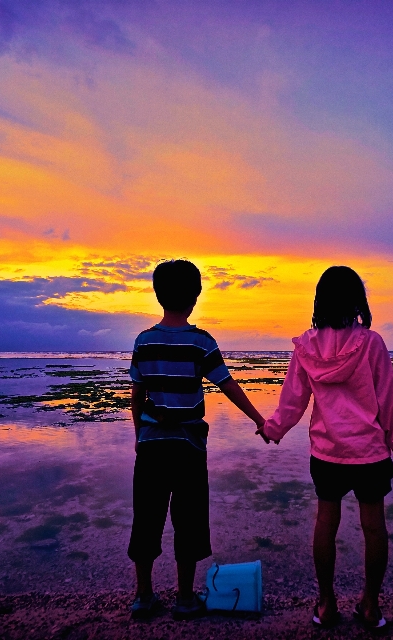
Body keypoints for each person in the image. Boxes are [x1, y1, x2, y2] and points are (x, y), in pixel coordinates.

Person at [260, 265, 393, 630]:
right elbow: (388, 400)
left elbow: (292, 401)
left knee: (325, 523)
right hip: (370, 453)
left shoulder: (306, 346)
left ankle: (327, 604)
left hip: (327, 454)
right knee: (375, 528)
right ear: (357, 300)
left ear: (319, 300)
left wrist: (273, 429)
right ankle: (370, 606)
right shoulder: (371, 343)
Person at [127, 259, 268, 621]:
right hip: (188, 446)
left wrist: (139, 436)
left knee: (147, 516)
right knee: (187, 519)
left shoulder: (144, 342)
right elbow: (228, 384)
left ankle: (144, 597)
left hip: (151, 446)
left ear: (158, 295)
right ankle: (185, 598)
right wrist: (259, 419)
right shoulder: (201, 342)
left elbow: (137, 396)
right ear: (195, 297)